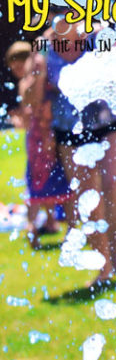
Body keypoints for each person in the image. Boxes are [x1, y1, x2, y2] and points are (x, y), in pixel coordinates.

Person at [39, 9, 116, 285]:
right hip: (70, 130)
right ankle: (104, 266)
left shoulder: (98, 35)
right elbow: (32, 92)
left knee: (114, 189)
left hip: (108, 121)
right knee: (88, 199)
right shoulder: (44, 49)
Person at [6, 41, 72, 249]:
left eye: (21, 64)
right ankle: (33, 227)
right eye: (13, 67)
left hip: (54, 136)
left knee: (61, 183)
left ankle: (65, 227)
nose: (18, 70)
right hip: (39, 141)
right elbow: (30, 106)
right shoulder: (28, 82)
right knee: (39, 183)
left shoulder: (42, 79)